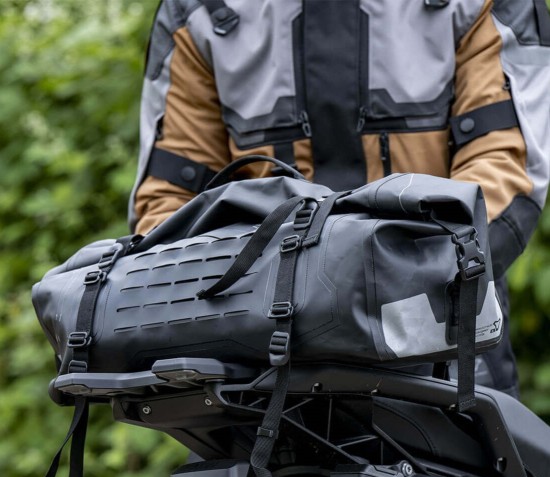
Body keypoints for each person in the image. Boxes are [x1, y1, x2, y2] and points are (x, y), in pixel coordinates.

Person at [129, 0, 550, 398]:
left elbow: (503, 171)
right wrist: (252, 302)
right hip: (254, 372)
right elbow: (169, 205)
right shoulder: (198, 11)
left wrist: (390, 280)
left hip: (443, 348)